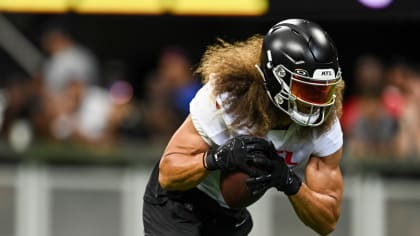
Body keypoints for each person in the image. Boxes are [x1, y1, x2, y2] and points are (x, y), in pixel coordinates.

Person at [143, 18, 345, 236]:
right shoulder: (228, 98)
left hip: (227, 213)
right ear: (277, 79)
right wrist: (216, 158)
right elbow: (168, 173)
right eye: (306, 91)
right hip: (178, 203)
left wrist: (290, 182)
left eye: (323, 91)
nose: (315, 104)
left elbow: (328, 221)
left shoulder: (325, 122)